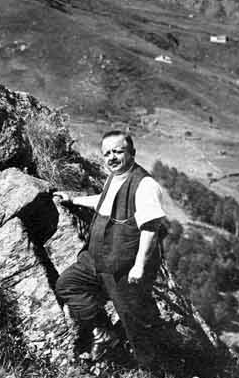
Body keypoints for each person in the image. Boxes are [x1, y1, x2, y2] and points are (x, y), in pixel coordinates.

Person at [53, 130, 167, 365]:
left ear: (132, 153)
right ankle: (103, 333)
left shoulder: (145, 185)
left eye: (118, 151)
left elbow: (150, 228)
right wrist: (73, 200)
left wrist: (139, 266)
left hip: (124, 269)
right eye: (107, 153)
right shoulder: (114, 178)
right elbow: (103, 202)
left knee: (134, 323)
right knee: (68, 284)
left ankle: (155, 375)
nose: (112, 158)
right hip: (96, 260)